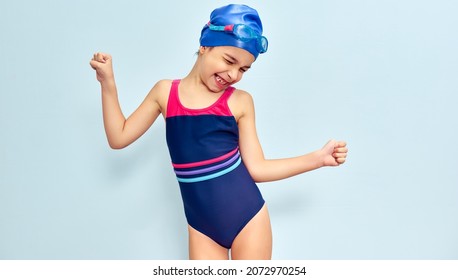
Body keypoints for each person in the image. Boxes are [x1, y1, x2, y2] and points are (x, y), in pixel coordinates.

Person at [90, 4, 348, 260]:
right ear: (204, 45)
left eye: (244, 69)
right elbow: (119, 137)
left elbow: (257, 169)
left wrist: (318, 159)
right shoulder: (164, 93)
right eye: (229, 60)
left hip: (248, 218)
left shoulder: (240, 102)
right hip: (201, 228)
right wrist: (108, 83)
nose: (234, 74)